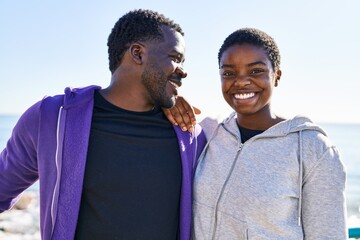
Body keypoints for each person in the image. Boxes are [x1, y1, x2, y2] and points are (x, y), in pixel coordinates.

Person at [0, 9, 206, 240]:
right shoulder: (52, 118)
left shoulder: (191, 136)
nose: (184, 71)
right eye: (175, 58)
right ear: (137, 54)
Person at [167, 28, 348, 239]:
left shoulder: (312, 148)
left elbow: (329, 234)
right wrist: (168, 102)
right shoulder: (209, 132)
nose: (241, 81)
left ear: (277, 75)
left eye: (255, 71)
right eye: (229, 73)